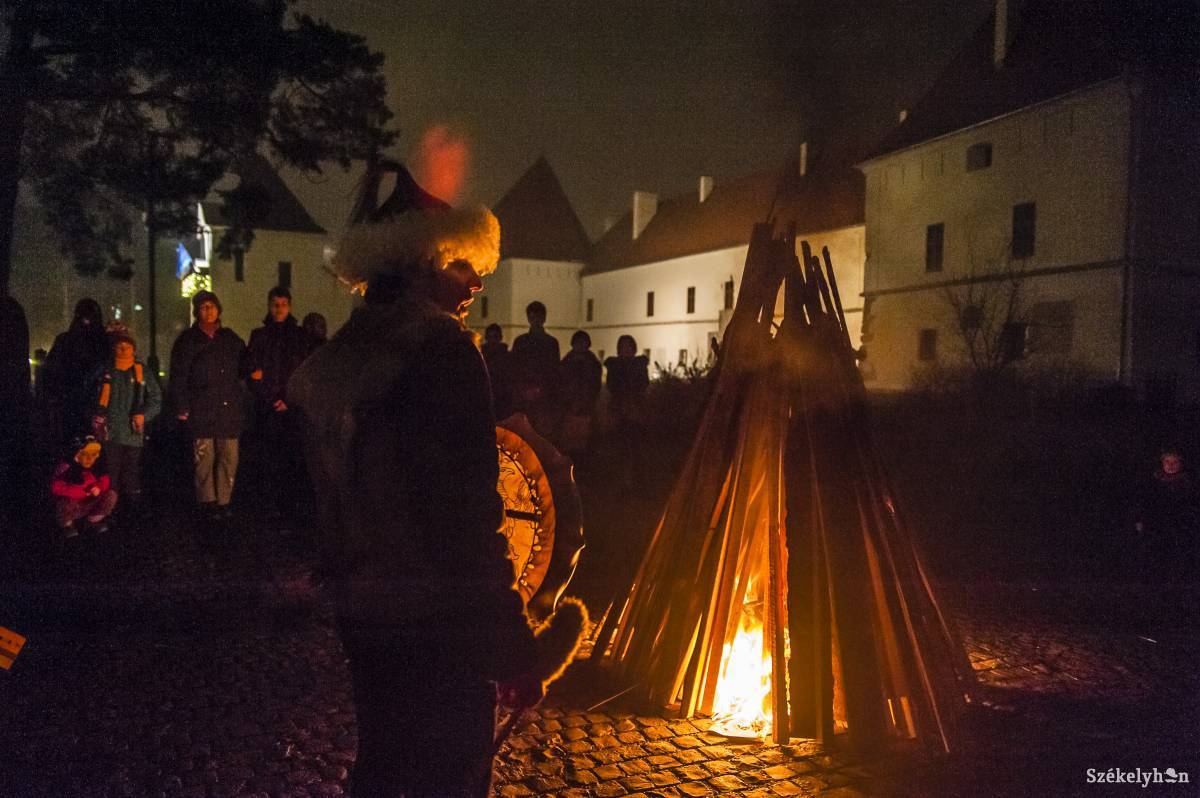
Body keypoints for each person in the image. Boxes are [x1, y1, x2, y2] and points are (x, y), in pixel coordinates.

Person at [289, 161, 540, 797]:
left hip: (362, 612)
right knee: (446, 777)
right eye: (465, 266)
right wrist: (508, 644)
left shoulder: (340, 355)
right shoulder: (442, 351)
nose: (476, 284)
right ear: (426, 261)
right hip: (437, 625)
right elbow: (466, 521)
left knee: (384, 768)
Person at [168, 291, 247, 521]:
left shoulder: (230, 338)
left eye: (212, 306)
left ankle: (224, 501)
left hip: (228, 409)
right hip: (201, 408)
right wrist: (181, 406)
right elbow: (179, 375)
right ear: (197, 311)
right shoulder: (187, 341)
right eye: (203, 307)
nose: (208, 311)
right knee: (204, 458)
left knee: (228, 457)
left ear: (219, 309)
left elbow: (244, 363)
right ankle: (207, 501)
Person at [246, 286, 311, 523]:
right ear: (269, 306)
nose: (279, 308)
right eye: (275, 304)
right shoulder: (259, 336)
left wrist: (289, 399)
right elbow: (252, 373)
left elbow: (303, 373)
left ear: (290, 306)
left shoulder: (301, 337)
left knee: (292, 459)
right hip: (267, 409)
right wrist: (272, 398)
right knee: (268, 459)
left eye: (283, 304)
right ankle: (270, 508)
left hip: (292, 409)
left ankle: (290, 507)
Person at [90, 325, 161, 520]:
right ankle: (109, 509)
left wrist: (144, 415)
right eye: (119, 345)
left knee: (131, 471)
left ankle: (132, 510)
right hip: (110, 431)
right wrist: (95, 415)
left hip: (132, 432)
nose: (123, 349)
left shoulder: (141, 371)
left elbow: (156, 399)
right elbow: (88, 394)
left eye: (127, 345)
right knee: (110, 472)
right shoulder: (104, 370)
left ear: (134, 349)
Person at [44, 298, 109, 444]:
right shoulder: (102, 341)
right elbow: (51, 372)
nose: (87, 321)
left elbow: (49, 372)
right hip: (73, 404)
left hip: (92, 405)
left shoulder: (103, 342)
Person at [1133, 447, 1199, 578]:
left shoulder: (1188, 482)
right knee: (1156, 553)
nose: (1171, 466)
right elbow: (1144, 502)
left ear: (1180, 464)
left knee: (1179, 554)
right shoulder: (1154, 481)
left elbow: (1193, 504)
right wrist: (1139, 520)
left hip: (1181, 524)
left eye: (1174, 462)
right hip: (1157, 524)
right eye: (1167, 462)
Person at [50, 435, 117, 538]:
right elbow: (56, 488)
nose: (90, 459)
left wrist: (98, 487)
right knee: (64, 502)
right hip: (73, 506)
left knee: (111, 495)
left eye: (94, 455)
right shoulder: (67, 469)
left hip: (89, 503)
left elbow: (105, 481)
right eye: (85, 454)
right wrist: (82, 492)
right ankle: (67, 525)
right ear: (77, 454)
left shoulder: (96, 467)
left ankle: (93, 520)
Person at [511, 300, 560, 435]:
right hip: (527, 395)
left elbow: (553, 370)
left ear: (543, 318)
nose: (535, 320)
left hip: (542, 397)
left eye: (537, 317)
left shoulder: (550, 343)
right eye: (532, 317)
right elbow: (515, 368)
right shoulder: (523, 342)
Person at [558, 330, 602, 456]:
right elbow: (561, 383)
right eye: (579, 342)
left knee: (585, 440)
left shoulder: (592, 363)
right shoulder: (567, 363)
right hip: (570, 407)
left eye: (583, 342)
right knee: (571, 440)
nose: (581, 345)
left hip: (586, 406)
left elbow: (595, 385)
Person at [480, 323, 514, 420]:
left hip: (502, 398)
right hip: (486, 397)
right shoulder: (481, 356)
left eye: (495, 337)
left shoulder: (506, 357)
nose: (492, 340)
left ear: (500, 338)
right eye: (490, 337)